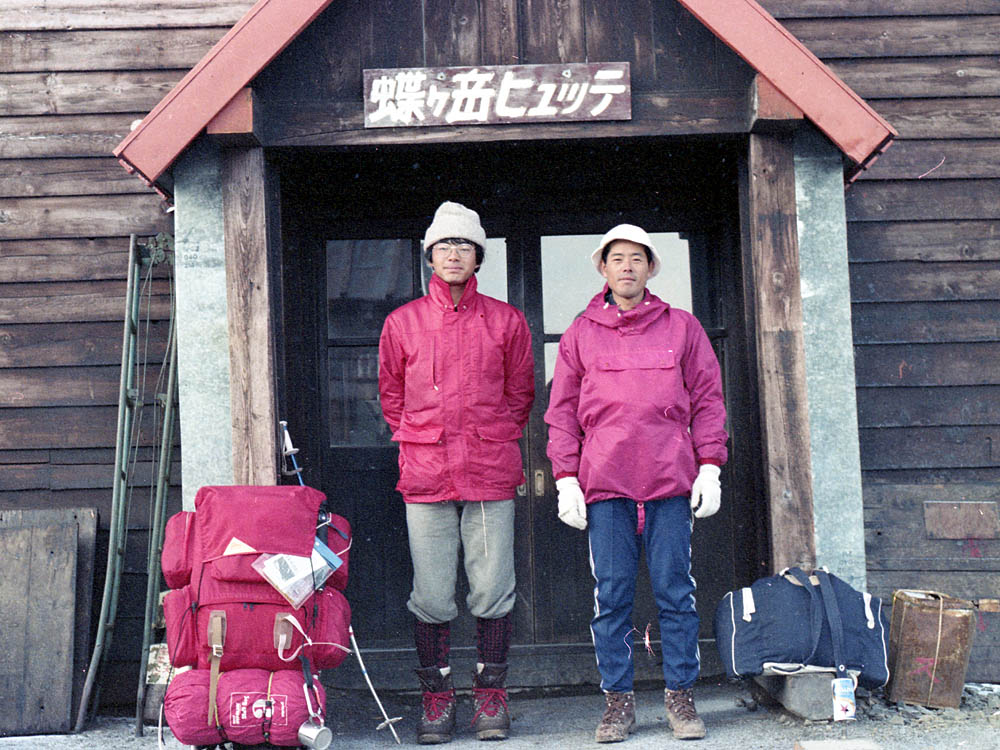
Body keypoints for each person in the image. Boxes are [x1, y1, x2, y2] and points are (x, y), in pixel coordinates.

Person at [544, 224, 728, 743]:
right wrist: (565, 478)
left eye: (637, 258)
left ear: (650, 268)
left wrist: (710, 466)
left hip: (670, 482)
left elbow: (709, 400)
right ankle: (618, 703)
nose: (627, 267)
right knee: (612, 597)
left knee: (676, 593)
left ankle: (680, 697)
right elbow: (562, 413)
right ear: (603, 268)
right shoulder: (581, 332)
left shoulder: (682, 327)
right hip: (606, 485)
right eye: (617, 258)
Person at [378, 201, 535, 744]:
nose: (453, 254)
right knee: (431, 594)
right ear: (429, 256)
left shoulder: (507, 321)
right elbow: (391, 398)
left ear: (478, 257)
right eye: (443, 245)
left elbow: (520, 396)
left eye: (463, 245)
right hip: (426, 476)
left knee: (493, 590)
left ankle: (491, 697)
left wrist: (487, 436)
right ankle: (437, 699)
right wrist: (425, 438)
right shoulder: (402, 323)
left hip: (489, 473)